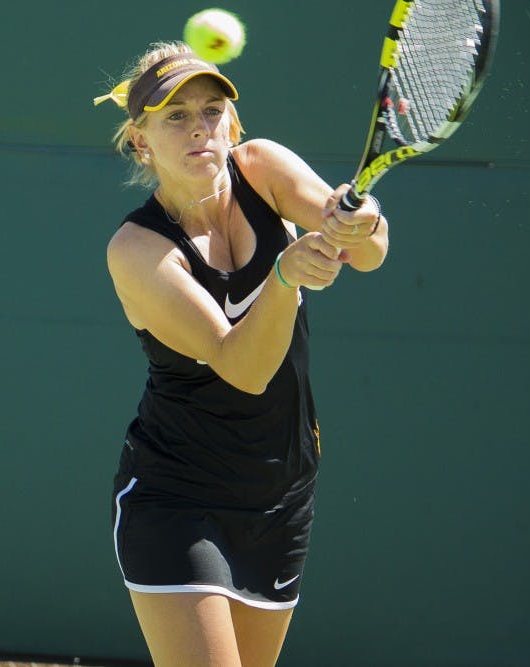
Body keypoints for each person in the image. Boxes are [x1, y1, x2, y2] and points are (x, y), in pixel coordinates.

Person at [94, 42, 389, 667]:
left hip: (281, 495)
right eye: (175, 115)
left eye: (210, 110)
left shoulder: (263, 168)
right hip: (177, 499)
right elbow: (243, 368)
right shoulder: (138, 250)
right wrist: (284, 276)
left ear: (232, 122)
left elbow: (369, 250)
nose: (199, 127)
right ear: (141, 141)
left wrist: (356, 224)